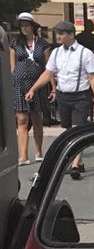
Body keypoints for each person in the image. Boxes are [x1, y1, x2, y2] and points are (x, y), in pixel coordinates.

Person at [27, 20, 94, 179]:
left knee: (77, 129)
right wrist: (33, 88)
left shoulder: (85, 53)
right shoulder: (56, 52)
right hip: (63, 95)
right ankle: (79, 162)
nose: (58, 37)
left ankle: (75, 166)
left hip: (81, 96)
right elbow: (48, 73)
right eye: (58, 34)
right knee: (68, 130)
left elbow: (92, 78)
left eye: (61, 34)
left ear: (71, 34)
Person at [9, 12, 48, 165]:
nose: (24, 28)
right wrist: (13, 79)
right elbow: (12, 65)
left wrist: (52, 86)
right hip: (19, 83)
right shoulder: (15, 43)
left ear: (33, 26)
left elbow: (48, 66)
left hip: (37, 83)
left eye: (26, 25)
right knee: (21, 119)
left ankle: (39, 151)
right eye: (22, 26)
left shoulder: (42, 43)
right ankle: (23, 155)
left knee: (36, 117)